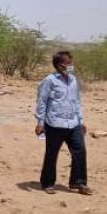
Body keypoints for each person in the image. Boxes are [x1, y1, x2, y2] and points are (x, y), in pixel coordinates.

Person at [35, 51, 92, 195]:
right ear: (60, 66)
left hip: (73, 123)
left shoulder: (73, 80)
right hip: (55, 123)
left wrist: (81, 121)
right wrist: (40, 122)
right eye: (69, 63)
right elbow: (42, 101)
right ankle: (47, 183)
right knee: (52, 153)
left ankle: (78, 182)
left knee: (80, 151)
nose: (71, 65)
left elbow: (76, 101)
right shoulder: (50, 80)